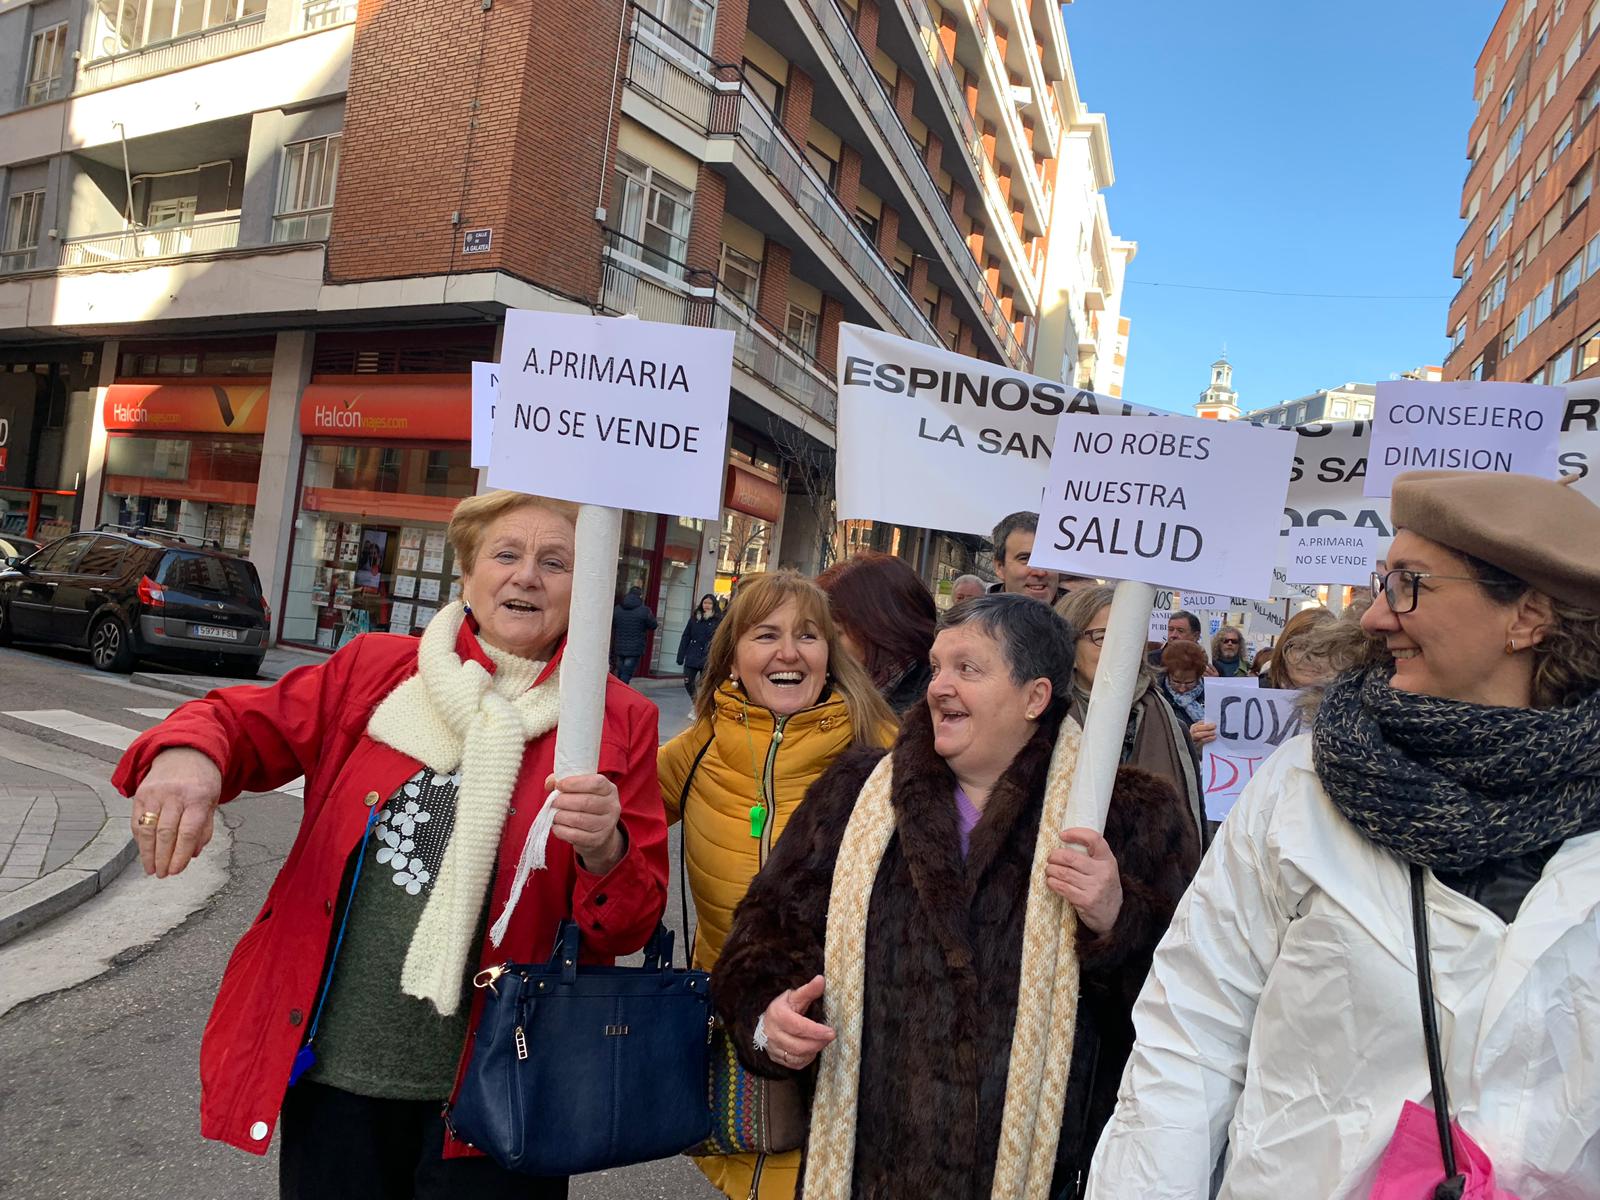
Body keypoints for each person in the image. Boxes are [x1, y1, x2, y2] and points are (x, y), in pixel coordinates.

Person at [113, 490, 669, 1198]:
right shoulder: (375, 669)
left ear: (584, 590)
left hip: (506, 1094)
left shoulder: (616, 719)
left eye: (555, 562)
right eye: (506, 554)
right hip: (338, 1074)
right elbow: (239, 723)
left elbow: (631, 923)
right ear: (467, 576)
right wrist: (189, 754)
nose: (526, 576)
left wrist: (605, 850)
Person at [1087, 470, 1600, 1198]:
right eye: (1380, 581)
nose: (1373, 617)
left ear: (1528, 617)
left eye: (1409, 585)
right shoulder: (1300, 791)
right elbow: (1190, 1037)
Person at [712, 595, 1200, 1199]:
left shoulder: (1129, 818)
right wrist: (769, 1020)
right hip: (875, 1173)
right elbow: (762, 941)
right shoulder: (854, 795)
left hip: (1052, 1175)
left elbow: (1187, 1009)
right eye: (937, 666)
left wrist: (1116, 920)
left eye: (968, 669)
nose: (939, 686)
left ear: (1035, 697)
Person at [658, 571, 896, 1200]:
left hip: (855, 1053)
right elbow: (613, 834)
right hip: (738, 1035)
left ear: (831, 656)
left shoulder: (890, 754)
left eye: (808, 635)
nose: (788, 652)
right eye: (766, 634)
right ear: (733, 657)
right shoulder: (695, 751)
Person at [1057, 585, 1206, 839]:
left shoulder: (1172, 727)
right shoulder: (1039, 721)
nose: (1119, 649)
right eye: (1102, 637)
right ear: (1069, 646)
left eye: (1128, 636)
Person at [817, 552, 937, 714]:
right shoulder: (827, 689)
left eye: (836, 634)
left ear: (879, 628)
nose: (823, 645)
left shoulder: (934, 707)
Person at [989, 510, 1063, 603]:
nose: (1040, 572)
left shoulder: (1079, 615)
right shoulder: (973, 616)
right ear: (999, 567)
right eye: (1025, 559)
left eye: (1047, 559)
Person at [1265, 605, 1338, 690]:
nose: (1309, 658)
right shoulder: (1254, 691)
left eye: (1320, 650)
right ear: (1282, 650)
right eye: (1300, 647)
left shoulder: (1351, 700)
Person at [677, 592, 722, 700]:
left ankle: (700, 706)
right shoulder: (694, 618)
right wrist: (680, 655)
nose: (706, 605)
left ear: (714, 605)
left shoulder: (718, 620)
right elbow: (686, 636)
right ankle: (696, 702)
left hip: (707, 656)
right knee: (688, 681)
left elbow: (721, 639)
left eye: (710, 603)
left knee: (704, 684)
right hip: (692, 654)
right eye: (705, 602)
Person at [610, 585, 657, 684]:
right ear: (640, 596)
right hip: (635, 647)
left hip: (619, 645)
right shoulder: (644, 610)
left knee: (619, 671)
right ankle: (622, 691)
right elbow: (653, 625)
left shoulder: (617, 609)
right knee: (627, 672)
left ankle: (618, 688)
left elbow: (613, 624)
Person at [1158, 640, 1208, 728]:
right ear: (1168, 674)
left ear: (1199, 676)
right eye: (1176, 682)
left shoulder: (1210, 693)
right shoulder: (1158, 695)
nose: (1182, 689)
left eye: (1189, 682)